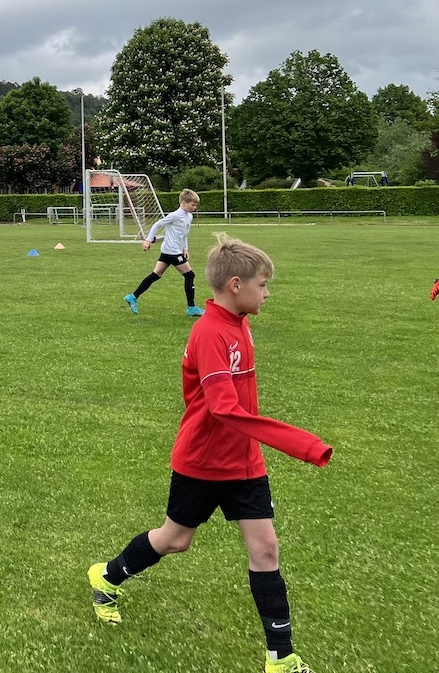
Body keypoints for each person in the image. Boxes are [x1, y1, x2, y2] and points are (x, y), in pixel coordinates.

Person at [88, 236, 332, 673]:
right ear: (236, 285)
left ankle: (281, 658)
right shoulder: (209, 332)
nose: (268, 293)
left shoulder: (240, 321)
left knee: (266, 550)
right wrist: (304, 444)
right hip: (202, 462)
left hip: (245, 461)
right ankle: (106, 576)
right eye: (262, 285)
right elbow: (223, 409)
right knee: (175, 540)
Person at [124, 188, 204, 316]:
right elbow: (157, 224)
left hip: (170, 251)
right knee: (190, 275)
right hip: (172, 252)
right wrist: (148, 240)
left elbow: (184, 235)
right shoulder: (175, 215)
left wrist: (185, 249)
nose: (194, 207)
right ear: (184, 203)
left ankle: (132, 297)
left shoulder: (189, 216)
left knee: (156, 275)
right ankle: (191, 308)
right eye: (193, 205)